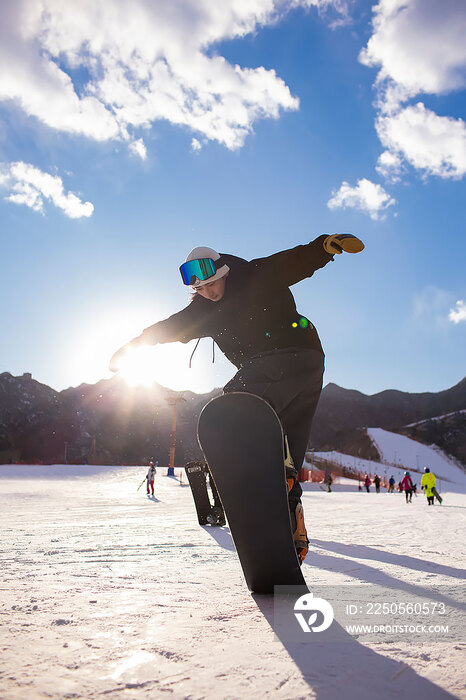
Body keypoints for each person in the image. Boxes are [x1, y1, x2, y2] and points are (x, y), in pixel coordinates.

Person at [109, 233, 364, 563]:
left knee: (232, 402)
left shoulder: (256, 274)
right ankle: (291, 535)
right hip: (304, 373)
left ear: (224, 271)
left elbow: (293, 262)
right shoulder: (202, 312)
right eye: (200, 289)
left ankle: (245, 471)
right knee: (284, 457)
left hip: (289, 358)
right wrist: (132, 346)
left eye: (212, 283)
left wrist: (326, 245)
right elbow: (168, 328)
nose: (208, 292)